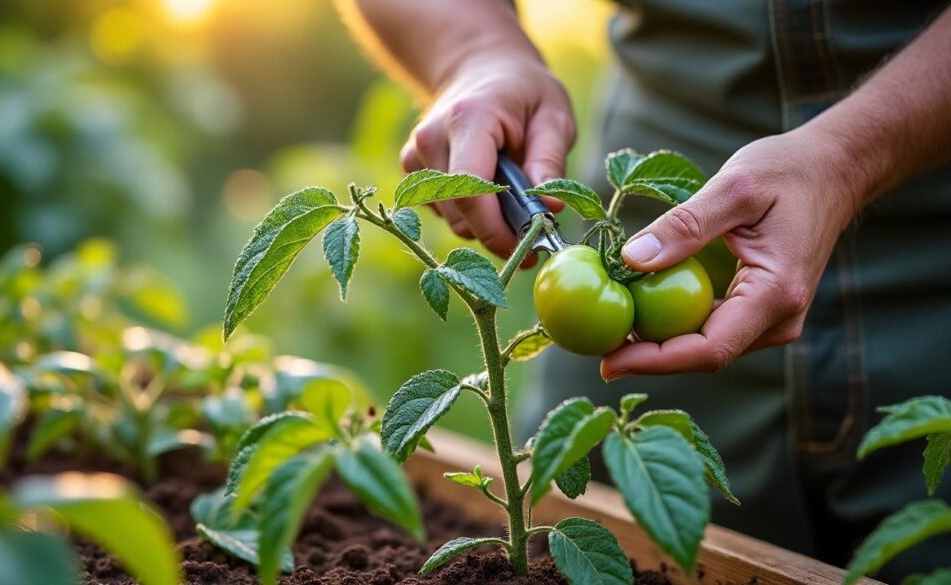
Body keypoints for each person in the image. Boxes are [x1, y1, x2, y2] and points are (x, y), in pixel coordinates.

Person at [336, 0, 951, 579]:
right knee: (574, 511)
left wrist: (846, 156)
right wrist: (474, 52)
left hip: (928, 268)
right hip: (674, 235)